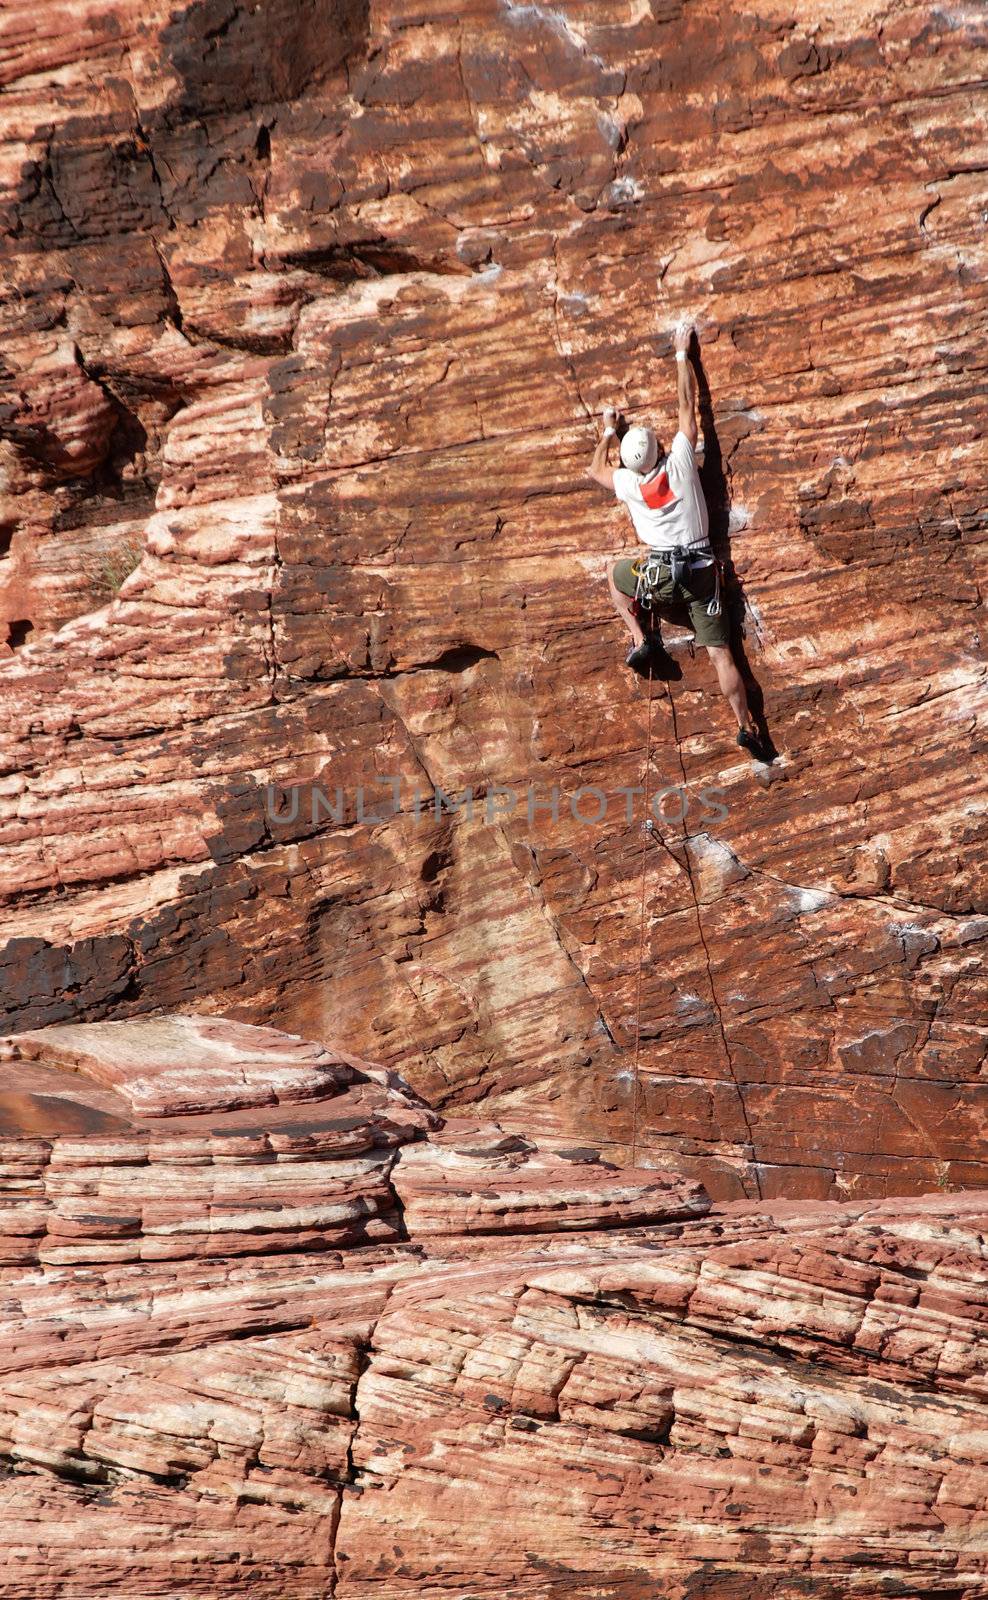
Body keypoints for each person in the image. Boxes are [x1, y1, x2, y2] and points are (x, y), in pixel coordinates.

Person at [587, 316, 763, 757]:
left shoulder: (629, 485)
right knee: (723, 656)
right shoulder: (682, 461)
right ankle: (746, 727)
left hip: (660, 576)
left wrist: (610, 429)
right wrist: (683, 354)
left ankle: (642, 640)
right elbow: (689, 409)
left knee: (614, 576)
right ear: (661, 450)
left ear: (631, 467)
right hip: (702, 572)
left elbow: (595, 470)